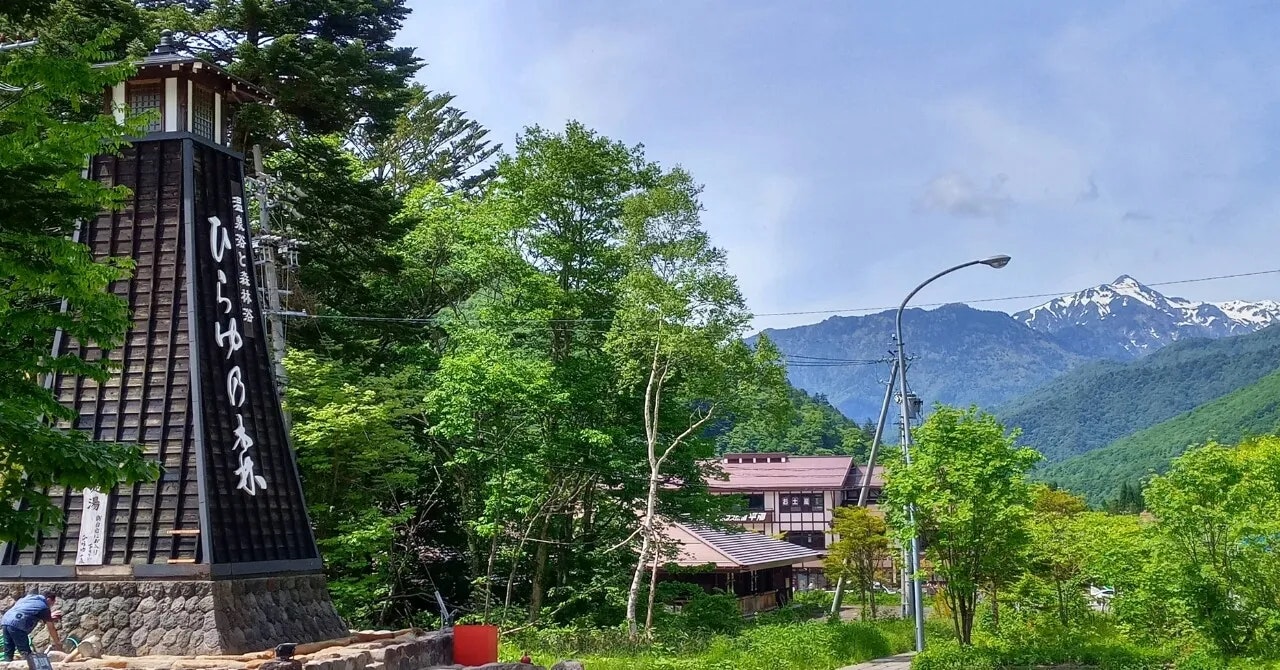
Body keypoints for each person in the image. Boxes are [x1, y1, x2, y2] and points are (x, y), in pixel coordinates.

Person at [1, 592, 62, 662]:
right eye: (52, 603)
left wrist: (49, 617)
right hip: (18, 623)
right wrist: (57, 643)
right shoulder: (44, 606)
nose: (51, 606)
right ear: (49, 599)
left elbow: (26, 611)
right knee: (25, 651)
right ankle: (29, 665)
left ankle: (6, 664)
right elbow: (51, 628)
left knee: (8, 649)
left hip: (6, 620)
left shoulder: (29, 598)